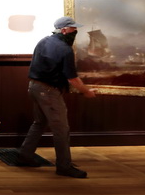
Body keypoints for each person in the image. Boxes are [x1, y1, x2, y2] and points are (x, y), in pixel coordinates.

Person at [18, 16, 97, 178]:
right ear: (64, 30)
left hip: (34, 87)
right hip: (48, 92)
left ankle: (24, 156)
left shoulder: (43, 41)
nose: (75, 32)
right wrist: (86, 91)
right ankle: (63, 166)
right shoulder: (65, 49)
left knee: (39, 123)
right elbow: (72, 78)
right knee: (61, 129)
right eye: (73, 29)